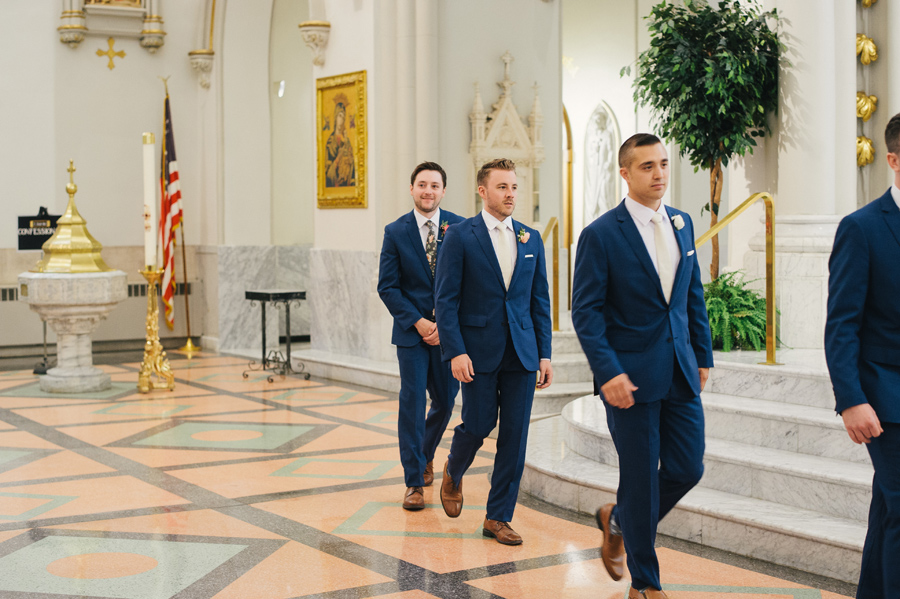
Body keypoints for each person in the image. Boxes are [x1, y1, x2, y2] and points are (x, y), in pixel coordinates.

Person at [571, 134, 713, 599]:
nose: (659, 174)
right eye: (648, 166)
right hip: (627, 377)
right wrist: (608, 370)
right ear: (626, 173)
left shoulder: (682, 222)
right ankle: (646, 583)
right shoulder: (601, 234)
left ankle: (621, 519)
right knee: (639, 476)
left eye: (664, 165)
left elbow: (692, 296)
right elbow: (586, 311)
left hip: (679, 368)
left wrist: (703, 356)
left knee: (687, 467)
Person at [434, 157, 553, 545]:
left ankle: (498, 517)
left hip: (521, 352)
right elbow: (446, 299)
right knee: (479, 423)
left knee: (515, 438)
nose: (510, 194)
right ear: (483, 191)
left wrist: (544, 354)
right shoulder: (460, 235)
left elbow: (540, 302)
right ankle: (454, 467)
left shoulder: (531, 238)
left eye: (514, 187)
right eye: (502, 187)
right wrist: (455, 351)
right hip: (477, 351)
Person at [825, 113, 900, 599]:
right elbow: (841, 325)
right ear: (893, 161)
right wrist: (851, 399)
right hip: (886, 397)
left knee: (890, 509)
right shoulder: (862, 228)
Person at [377, 161, 465, 510]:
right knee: (411, 405)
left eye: (434, 185)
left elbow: (468, 283)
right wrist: (418, 321)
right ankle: (413, 482)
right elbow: (388, 286)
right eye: (422, 185)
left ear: (443, 191)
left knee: (445, 401)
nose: (428, 191)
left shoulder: (461, 228)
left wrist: (445, 324)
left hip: (449, 334)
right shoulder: (395, 231)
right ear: (412, 189)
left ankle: (425, 453)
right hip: (412, 335)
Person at [325, 94, 356, 188]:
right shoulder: (330, 142)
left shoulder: (346, 141)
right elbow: (327, 173)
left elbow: (353, 165)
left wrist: (350, 161)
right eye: (339, 116)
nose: (341, 120)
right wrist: (339, 157)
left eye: (343, 117)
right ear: (335, 117)